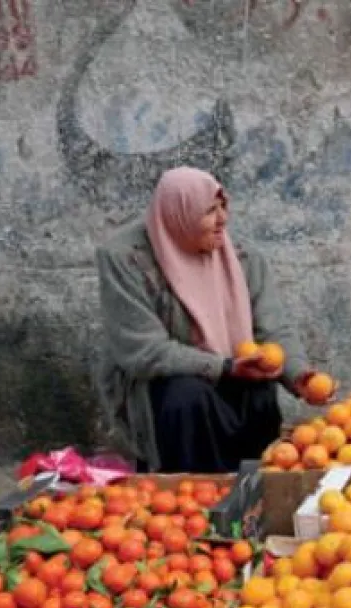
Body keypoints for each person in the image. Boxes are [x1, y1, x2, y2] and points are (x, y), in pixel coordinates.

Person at [95, 166, 330, 474]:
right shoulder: (126, 258)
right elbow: (144, 351)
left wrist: (299, 375)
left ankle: (251, 495)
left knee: (260, 393)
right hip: (166, 388)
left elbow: (273, 329)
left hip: (233, 373)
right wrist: (225, 367)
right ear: (179, 215)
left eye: (223, 207)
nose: (223, 219)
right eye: (209, 211)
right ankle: (190, 496)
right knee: (187, 394)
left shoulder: (242, 258)